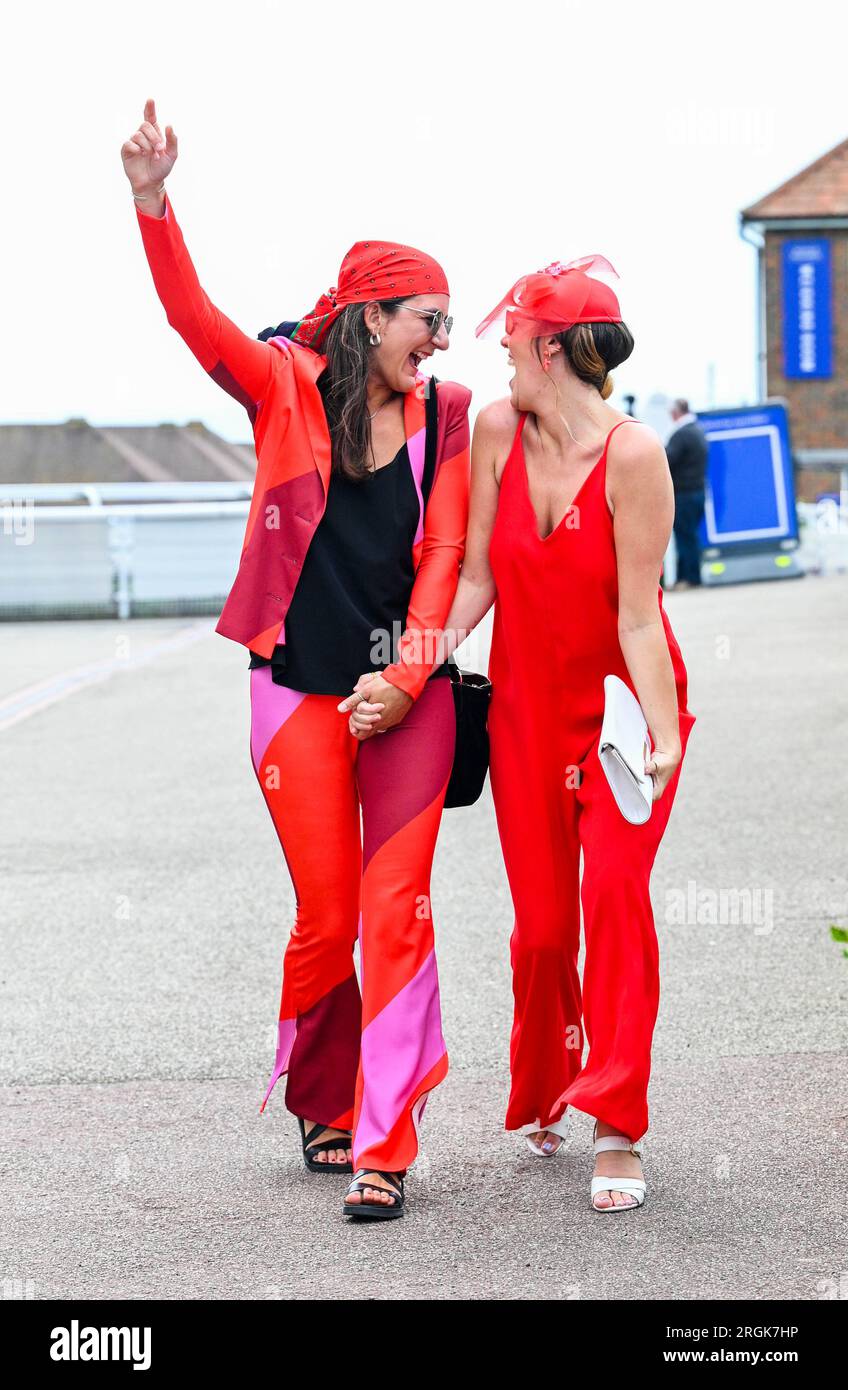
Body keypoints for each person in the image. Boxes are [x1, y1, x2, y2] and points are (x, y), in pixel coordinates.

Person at [122, 100, 471, 1222]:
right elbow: (192, 318)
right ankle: (323, 1096)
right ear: (370, 317)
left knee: (394, 912)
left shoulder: (448, 413)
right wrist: (151, 202)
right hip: (292, 690)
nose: (442, 338)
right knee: (327, 916)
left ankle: (386, 1140)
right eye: (428, 317)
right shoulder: (279, 386)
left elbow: (447, 554)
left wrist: (406, 678)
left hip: (407, 699)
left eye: (452, 321)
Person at [353, 256, 697, 1212]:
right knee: (544, 932)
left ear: (552, 347)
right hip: (526, 716)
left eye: (512, 333)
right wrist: (406, 669)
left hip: (628, 718)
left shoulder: (634, 457)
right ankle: (551, 1080)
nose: (497, 344)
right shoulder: (500, 431)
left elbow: (639, 618)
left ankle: (619, 1125)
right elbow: (474, 583)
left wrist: (664, 737)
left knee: (616, 904)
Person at [666, 398, 708, 589]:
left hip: (683, 494)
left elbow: (666, 460)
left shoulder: (681, 435)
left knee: (684, 537)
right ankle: (691, 576)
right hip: (698, 492)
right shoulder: (698, 431)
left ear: (676, 413)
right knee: (690, 536)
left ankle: (689, 579)